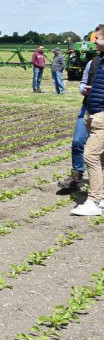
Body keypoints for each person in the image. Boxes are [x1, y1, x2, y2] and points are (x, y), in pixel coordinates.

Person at [73, 27, 104, 216]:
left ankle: (94, 200)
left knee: (90, 155)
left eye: (99, 37)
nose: (95, 40)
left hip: (101, 114)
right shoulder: (97, 61)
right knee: (100, 158)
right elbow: (85, 84)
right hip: (92, 112)